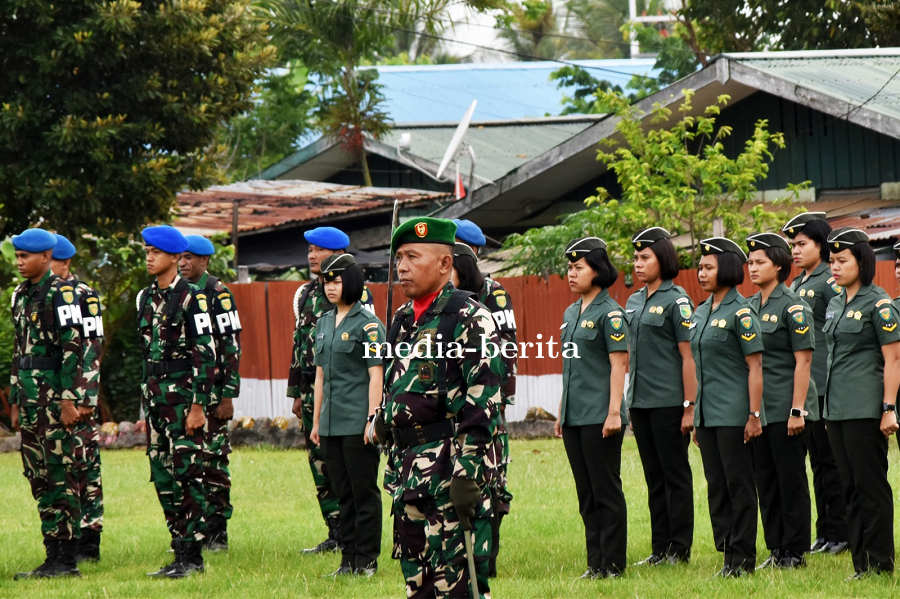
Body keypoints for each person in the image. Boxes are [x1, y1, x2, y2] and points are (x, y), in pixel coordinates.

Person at [373, 217, 501, 598]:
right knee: (418, 586)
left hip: (449, 473)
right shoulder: (402, 319)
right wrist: (384, 418)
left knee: (458, 586)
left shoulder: (469, 317)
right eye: (399, 258)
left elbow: (484, 404)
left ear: (445, 264)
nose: (402, 267)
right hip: (408, 475)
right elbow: (398, 383)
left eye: (413, 257)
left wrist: (469, 474)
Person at [287, 226, 373, 554]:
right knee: (319, 463)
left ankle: (350, 533)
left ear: (337, 254)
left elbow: (369, 353)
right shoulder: (307, 293)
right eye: (309, 249)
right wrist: (296, 392)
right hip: (313, 388)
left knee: (345, 466)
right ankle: (334, 530)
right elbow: (299, 345)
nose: (311, 255)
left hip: (346, 390)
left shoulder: (355, 293)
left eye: (318, 249)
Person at [137, 225, 216, 578]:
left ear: (172, 256)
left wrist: (199, 406)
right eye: (146, 251)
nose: (149, 257)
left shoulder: (191, 297)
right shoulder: (145, 297)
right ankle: (178, 548)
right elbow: (146, 355)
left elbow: (206, 353)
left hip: (184, 400)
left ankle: (193, 556)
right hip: (156, 401)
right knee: (162, 476)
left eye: (155, 252)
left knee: (188, 475)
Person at [822, 227, 900, 580]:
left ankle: (881, 562)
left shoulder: (879, 303)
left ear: (862, 262)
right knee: (848, 485)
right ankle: (861, 563)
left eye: (842, 260)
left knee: (871, 486)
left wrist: (888, 407)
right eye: (832, 261)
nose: (834, 267)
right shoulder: (836, 302)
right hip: (836, 408)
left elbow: (893, 360)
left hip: (865, 406)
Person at [10, 228, 86, 579]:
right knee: (37, 476)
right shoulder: (21, 295)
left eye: (26, 256)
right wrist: (14, 400)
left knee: (61, 475)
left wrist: (70, 400)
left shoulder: (63, 294)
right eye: (18, 255)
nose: (20, 261)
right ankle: (50, 553)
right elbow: (18, 351)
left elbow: (74, 350)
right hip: (28, 402)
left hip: (55, 402)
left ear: (46, 257)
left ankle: (67, 558)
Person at [554, 236, 629, 580]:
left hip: (601, 414)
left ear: (597, 271)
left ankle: (612, 564)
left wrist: (614, 412)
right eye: (569, 268)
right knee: (586, 493)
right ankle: (595, 562)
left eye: (577, 268)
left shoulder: (611, 314)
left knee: (606, 491)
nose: (571, 274)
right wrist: (561, 410)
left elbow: (619, 365)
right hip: (574, 414)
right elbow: (571, 367)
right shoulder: (571, 312)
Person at [691, 237, 764, 577]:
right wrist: (694, 415)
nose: (701, 273)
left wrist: (753, 415)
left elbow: (755, 367)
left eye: (708, 267)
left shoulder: (742, 312)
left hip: (734, 415)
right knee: (717, 486)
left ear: (729, 268)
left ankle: (743, 558)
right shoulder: (701, 311)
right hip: (707, 415)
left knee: (739, 486)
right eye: (700, 267)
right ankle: (727, 552)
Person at [309, 253, 385, 577]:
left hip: (357, 423)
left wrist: (372, 419)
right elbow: (320, 377)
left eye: (337, 281)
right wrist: (315, 422)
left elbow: (376, 375)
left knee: (363, 493)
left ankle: (365, 560)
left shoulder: (368, 324)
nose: (330, 287)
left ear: (351, 282)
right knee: (343, 496)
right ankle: (347, 561)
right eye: (327, 281)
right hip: (329, 424)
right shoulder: (323, 323)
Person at [625, 227, 696, 566]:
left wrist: (689, 407)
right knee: (654, 477)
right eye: (636, 258)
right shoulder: (634, 300)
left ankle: (679, 549)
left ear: (662, 259)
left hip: (670, 403)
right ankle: (660, 548)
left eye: (644, 257)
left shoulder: (677, 300)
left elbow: (688, 357)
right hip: (641, 404)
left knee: (675, 476)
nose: (637, 264)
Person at [745, 232, 816, 570]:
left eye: (759, 262)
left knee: (790, 479)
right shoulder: (748, 307)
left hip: (787, 407)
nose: (752, 268)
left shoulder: (794, 307)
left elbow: (803, 361)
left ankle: (795, 550)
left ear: (778, 264)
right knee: (766, 479)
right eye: (750, 262)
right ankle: (776, 547)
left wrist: (797, 410)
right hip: (760, 411)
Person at [782, 212, 849, 554]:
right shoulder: (795, 284)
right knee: (816, 463)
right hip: (807, 390)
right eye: (792, 245)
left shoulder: (829, 281)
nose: (795, 250)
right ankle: (824, 533)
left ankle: (839, 532)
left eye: (801, 244)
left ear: (821, 246)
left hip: (825, 384)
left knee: (831, 463)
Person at [451, 232, 517, 578]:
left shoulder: (493, 293)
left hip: (487, 401)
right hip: (451, 408)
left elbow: (507, 347)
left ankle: (486, 556)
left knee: (491, 478)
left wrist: (500, 398)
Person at [179, 234, 242, 552]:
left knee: (214, 461)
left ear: (204, 260)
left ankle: (218, 532)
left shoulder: (218, 293)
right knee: (189, 463)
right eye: (181, 257)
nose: (182, 262)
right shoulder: (179, 293)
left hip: (215, 393)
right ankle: (195, 530)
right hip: (186, 393)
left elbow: (231, 346)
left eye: (189, 257)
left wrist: (228, 395)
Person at [49, 234, 105, 563]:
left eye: (49, 259)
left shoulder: (85, 297)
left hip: (80, 394)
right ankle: (61, 534)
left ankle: (90, 537)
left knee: (85, 464)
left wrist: (87, 397)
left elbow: (92, 349)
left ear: (65, 262)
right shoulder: (38, 295)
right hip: (49, 394)